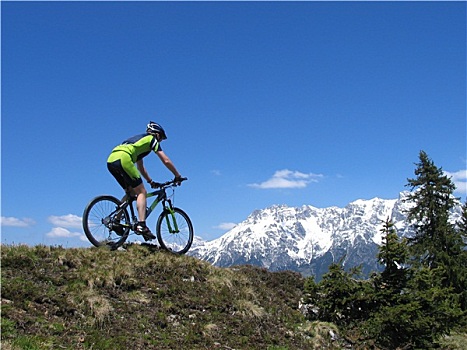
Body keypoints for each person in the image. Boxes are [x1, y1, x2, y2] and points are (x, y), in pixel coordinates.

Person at [107, 121, 183, 241]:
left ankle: (116, 220)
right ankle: (141, 225)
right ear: (156, 134)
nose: (160, 141)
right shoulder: (151, 140)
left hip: (112, 160)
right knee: (141, 192)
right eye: (161, 138)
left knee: (131, 192)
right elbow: (166, 160)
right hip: (124, 159)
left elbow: (140, 167)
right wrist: (177, 175)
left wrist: (150, 181)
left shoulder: (137, 141)